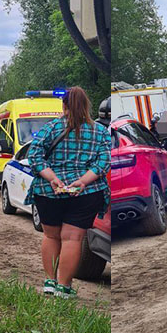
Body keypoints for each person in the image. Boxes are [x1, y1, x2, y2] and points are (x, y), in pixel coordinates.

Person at [26, 87, 111, 298]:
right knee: (72, 239)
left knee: (51, 235)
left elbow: (34, 156)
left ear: (63, 105)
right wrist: (82, 181)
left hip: (48, 192)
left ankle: (49, 282)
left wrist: (53, 178)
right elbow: (105, 161)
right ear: (86, 106)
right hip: (87, 192)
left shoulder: (51, 128)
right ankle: (64, 288)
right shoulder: (100, 131)